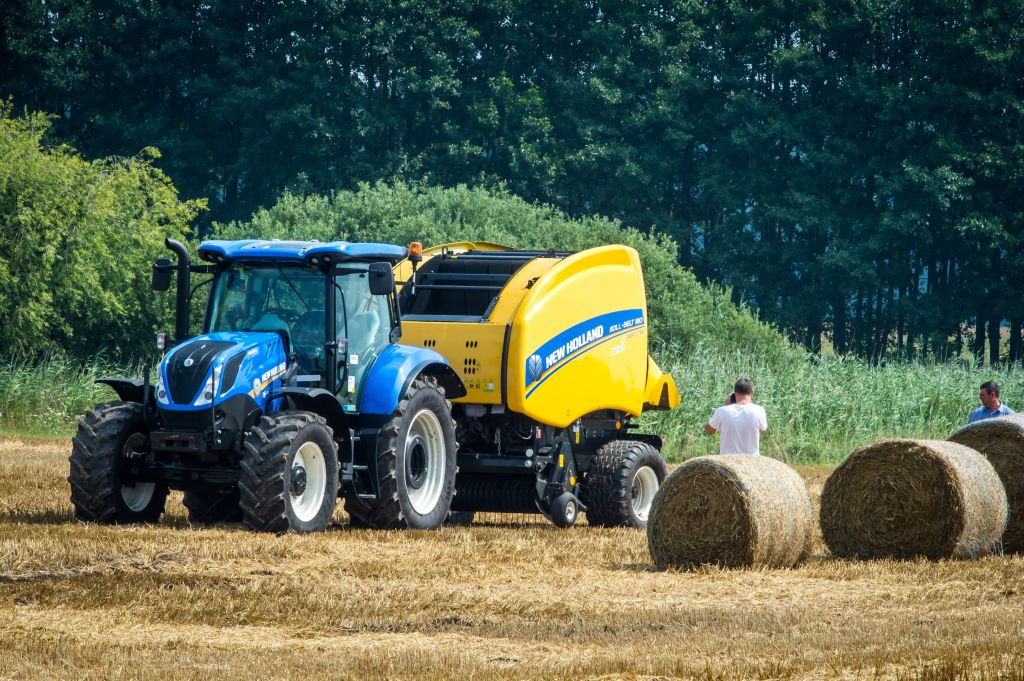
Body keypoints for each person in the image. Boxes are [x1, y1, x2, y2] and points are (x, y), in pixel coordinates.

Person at [704, 378, 768, 455]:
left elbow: (708, 431)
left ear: (734, 392)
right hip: (752, 460)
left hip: (727, 460)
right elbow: (762, 431)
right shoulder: (759, 410)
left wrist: (725, 406)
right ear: (752, 392)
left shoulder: (722, 411)